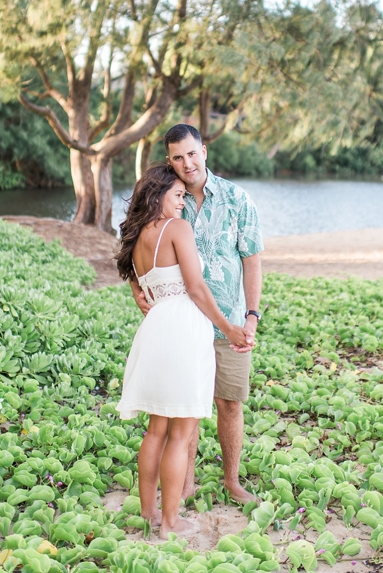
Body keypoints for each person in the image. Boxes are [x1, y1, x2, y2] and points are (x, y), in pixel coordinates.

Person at [130, 124, 264, 505]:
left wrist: (251, 316)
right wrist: (136, 287)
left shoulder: (238, 199)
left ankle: (232, 481)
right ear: (169, 160)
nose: (186, 163)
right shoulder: (167, 198)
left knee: (230, 402)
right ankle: (184, 484)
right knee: (182, 406)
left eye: (191, 153)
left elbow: (252, 262)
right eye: (177, 157)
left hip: (230, 320)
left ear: (204, 150)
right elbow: (134, 240)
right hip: (183, 325)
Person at [116, 164, 249, 538]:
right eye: (177, 195)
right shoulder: (176, 228)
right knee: (180, 432)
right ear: (158, 195)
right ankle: (171, 522)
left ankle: (149, 513)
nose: (182, 202)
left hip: (155, 327)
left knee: (156, 429)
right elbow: (195, 287)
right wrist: (228, 328)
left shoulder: (138, 234)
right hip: (184, 329)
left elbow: (138, 281)